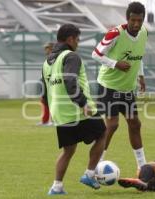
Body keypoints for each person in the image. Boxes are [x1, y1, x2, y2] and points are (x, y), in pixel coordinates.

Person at [42, 24, 106, 195]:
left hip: (59, 112)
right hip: (76, 109)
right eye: (77, 39)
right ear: (70, 39)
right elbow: (70, 82)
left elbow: (45, 90)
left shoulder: (47, 61)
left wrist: (52, 111)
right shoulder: (71, 56)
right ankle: (89, 174)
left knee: (68, 150)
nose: (78, 43)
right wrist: (83, 103)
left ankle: (56, 187)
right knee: (102, 134)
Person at [92, 1, 148, 170]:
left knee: (135, 124)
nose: (136, 24)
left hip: (127, 87)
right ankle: (96, 165)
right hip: (109, 85)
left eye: (140, 20)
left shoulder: (144, 33)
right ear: (127, 19)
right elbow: (96, 54)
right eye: (133, 20)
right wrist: (115, 64)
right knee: (113, 124)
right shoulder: (115, 33)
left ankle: (142, 166)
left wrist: (141, 75)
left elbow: (138, 56)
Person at [37, 42, 54, 126]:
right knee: (44, 101)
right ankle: (45, 121)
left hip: (51, 83)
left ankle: (53, 121)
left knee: (53, 102)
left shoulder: (54, 59)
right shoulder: (48, 59)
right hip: (45, 82)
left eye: (47, 48)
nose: (46, 50)